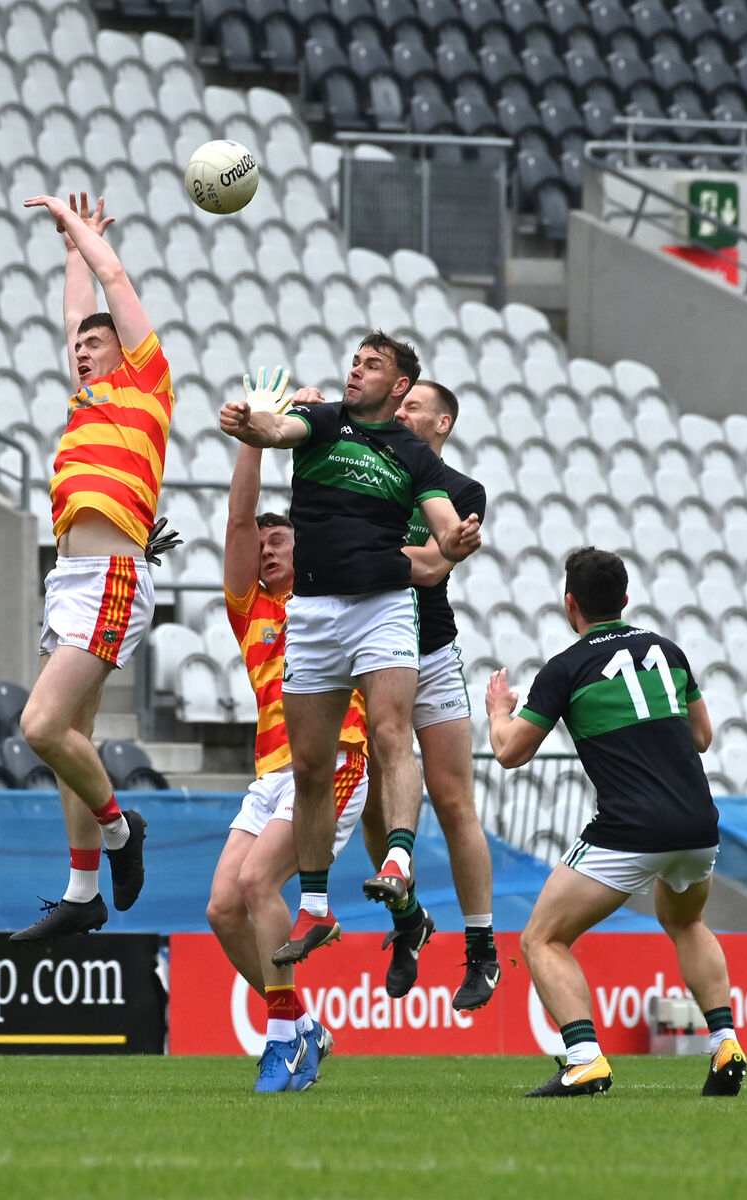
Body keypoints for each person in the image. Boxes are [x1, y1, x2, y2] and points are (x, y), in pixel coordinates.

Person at [219, 334, 481, 967]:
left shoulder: (413, 454)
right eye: (355, 362)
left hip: (382, 607)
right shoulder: (322, 419)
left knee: (390, 732)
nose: (355, 371)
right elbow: (278, 430)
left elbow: (444, 527)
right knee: (310, 768)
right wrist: (251, 423)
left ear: (397, 388)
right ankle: (314, 908)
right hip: (314, 611)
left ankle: (396, 857)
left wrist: (458, 538)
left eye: (371, 366)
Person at [485, 546, 747, 1098]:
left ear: (570, 604)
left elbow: (510, 753)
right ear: (625, 600)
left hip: (630, 829)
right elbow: (702, 737)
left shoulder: (566, 668)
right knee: (686, 923)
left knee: (541, 939)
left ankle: (583, 1060)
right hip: (699, 825)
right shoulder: (668, 652)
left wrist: (497, 711)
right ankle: (725, 1041)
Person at [9, 192, 174, 941]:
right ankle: (81, 892)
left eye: (94, 345)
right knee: (71, 738)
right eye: (79, 348)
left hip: (110, 579)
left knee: (41, 726)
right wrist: (69, 248)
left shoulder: (146, 385)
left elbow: (113, 285)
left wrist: (87, 239)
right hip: (69, 581)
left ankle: (119, 834)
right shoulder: (87, 400)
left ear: (125, 351)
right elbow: (78, 306)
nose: (82, 350)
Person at [207, 389, 369, 1091]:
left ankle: (285, 1041)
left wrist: (308, 432)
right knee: (220, 908)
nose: (267, 550)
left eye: (281, 541)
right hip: (271, 772)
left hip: (334, 762)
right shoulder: (253, 612)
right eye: (263, 546)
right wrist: (251, 434)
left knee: (253, 883)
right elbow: (240, 518)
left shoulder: (333, 598)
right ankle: (301, 1021)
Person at [361, 380, 500, 1010]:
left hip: (431, 650)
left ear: (442, 424)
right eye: (399, 403)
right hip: (368, 650)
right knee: (370, 799)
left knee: (453, 801)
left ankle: (482, 950)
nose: (400, 411)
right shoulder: (366, 468)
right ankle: (408, 921)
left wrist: (358, 549)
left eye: (413, 406)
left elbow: (435, 565)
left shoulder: (463, 492)